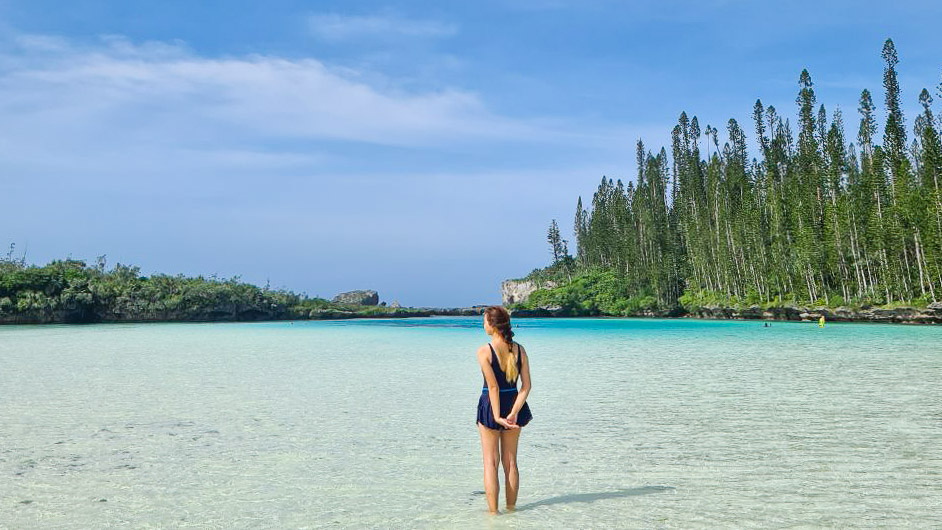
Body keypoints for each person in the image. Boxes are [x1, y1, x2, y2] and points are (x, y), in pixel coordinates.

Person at [476, 306, 533, 514]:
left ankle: (493, 515)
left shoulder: (484, 351)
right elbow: (526, 386)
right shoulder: (519, 349)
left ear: (492, 324)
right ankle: (511, 511)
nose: (483, 325)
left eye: (484, 321)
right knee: (510, 462)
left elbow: (493, 387)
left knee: (491, 463)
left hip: (492, 406)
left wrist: (498, 416)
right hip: (513, 403)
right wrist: (514, 412)